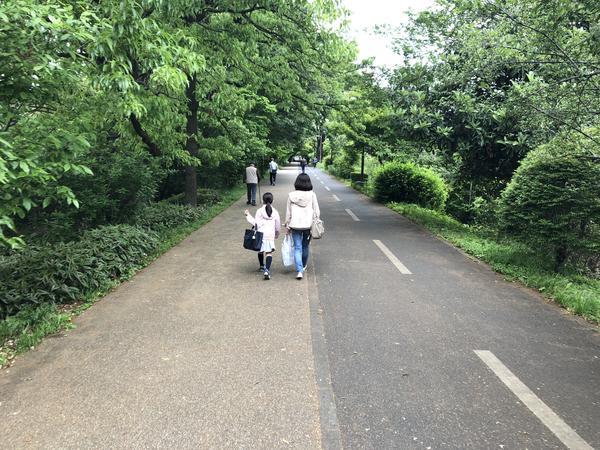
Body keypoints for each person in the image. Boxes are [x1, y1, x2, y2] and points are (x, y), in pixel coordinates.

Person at [285, 173, 320, 280]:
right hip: (308, 225)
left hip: (295, 225)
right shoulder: (312, 195)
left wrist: (287, 224)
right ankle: (303, 266)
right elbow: (317, 211)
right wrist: (316, 220)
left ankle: (299, 270)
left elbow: (288, 213)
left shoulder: (291, 195)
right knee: (305, 246)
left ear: (297, 183)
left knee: (297, 247)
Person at [245, 192, 281, 280]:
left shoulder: (259, 211)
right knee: (269, 252)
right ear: (273, 201)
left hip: (261, 234)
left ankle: (261, 266)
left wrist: (248, 215)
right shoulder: (275, 212)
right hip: (270, 234)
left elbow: (256, 224)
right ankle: (267, 270)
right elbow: (277, 225)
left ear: (262, 200)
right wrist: (277, 234)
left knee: (260, 250)